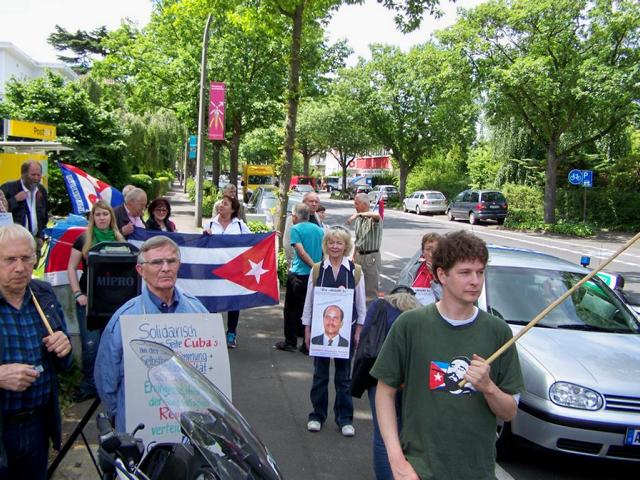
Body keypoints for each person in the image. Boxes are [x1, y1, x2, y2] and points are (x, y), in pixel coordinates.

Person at [371, 230, 525, 480]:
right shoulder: (410, 325)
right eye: (465, 272)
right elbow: (385, 392)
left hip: (477, 472)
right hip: (418, 470)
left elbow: (508, 412)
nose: (475, 281)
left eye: (480, 272)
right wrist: (397, 461)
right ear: (441, 274)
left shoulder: (498, 331)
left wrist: (488, 387)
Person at [94, 235, 208, 432]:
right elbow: (107, 381)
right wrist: (123, 412)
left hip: (190, 430)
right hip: (141, 430)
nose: (165, 268)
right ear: (141, 270)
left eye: (171, 261)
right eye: (156, 262)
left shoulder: (198, 312)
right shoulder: (124, 320)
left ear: (178, 265)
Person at [0, 224, 72, 480]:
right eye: (9, 259)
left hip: (36, 427)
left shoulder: (43, 294)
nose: (19, 268)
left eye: (26, 258)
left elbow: (65, 364)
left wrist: (65, 347)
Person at [351, 285, 421, 480]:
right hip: (409, 380)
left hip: (379, 378)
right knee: (405, 433)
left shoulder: (380, 306)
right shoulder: (420, 313)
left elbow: (367, 338)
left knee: (383, 436)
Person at [301, 226, 366, 437]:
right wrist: (307, 329)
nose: (335, 246)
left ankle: (345, 419)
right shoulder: (317, 269)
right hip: (321, 332)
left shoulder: (355, 271)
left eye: (339, 243)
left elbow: (361, 304)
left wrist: (358, 330)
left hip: (346, 333)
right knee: (320, 376)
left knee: (344, 377)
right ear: (326, 245)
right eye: (331, 242)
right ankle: (317, 416)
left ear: (346, 246)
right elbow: (309, 303)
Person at [66, 201, 125, 402]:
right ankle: (88, 386)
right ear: (93, 218)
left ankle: (108, 385)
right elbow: (71, 268)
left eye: (105, 214)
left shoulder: (119, 239)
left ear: (111, 217)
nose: (101, 218)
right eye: (98, 214)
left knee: (111, 345)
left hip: (111, 302)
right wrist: (77, 294)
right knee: (91, 347)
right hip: (87, 301)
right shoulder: (83, 239)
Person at [275, 203, 324, 353]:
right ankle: (307, 343)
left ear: (295, 216)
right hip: (314, 275)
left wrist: (312, 265)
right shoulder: (320, 230)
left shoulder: (295, 229)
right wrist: (318, 267)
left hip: (299, 273)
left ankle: (290, 341)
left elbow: (300, 252)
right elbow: (324, 251)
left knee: (291, 309)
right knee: (308, 309)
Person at [204, 194, 251, 348]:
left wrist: (268, 238)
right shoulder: (210, 223)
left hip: (234, 271)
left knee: (233, 302)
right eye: (221, 203)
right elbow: (201, 246)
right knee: (213, 301)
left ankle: (231, 333)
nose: (220, 205)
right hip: (214, 270)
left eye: (225, 204)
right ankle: (211, 333)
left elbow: (252, 242)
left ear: (232, 209)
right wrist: (205, 236)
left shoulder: (239, 225)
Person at [0, 160, 48, 255]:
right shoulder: (8, 188)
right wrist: (15, 200)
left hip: (34, 240)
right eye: (33, 175)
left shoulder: (41, 190)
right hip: (13, 241)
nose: (36, 178)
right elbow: (2, 213)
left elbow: (44, 216)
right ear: (23, 174)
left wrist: (41, 237)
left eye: (39, 175)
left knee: (30, 267)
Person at [347, 192, 382, 303]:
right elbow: (358, 240)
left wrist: (358, 215)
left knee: (370, 290)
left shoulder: (373, 218)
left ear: (365, 204)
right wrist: (353, 256)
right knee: (357, 286)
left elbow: (377, 216)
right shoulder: (359, 220)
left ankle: (370, 316)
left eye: (357, 203)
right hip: (359, 256)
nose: (355, 206)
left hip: (371, 257)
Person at [397, 232, 442, 304]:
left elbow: (445, 301)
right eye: (428, 249)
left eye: (435, 250)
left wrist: (435, 278)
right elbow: (400, 293)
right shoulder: (413, 270)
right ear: (423, 252)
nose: (431, 254)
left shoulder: (446, 273)